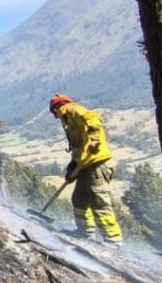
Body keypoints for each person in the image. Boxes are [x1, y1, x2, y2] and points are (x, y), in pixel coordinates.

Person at [49, 94, 123, 247]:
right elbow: (79, 149)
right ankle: (85, 232)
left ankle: (113, 239)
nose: (56, 118)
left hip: (98, 163)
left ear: (57, 108)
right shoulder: (69, 122)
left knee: (99, 200)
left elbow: (93, 118)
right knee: (79, 198)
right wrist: (71, 168)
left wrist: (95, 139)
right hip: (85, 164)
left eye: (54, 114)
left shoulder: (70, 109)